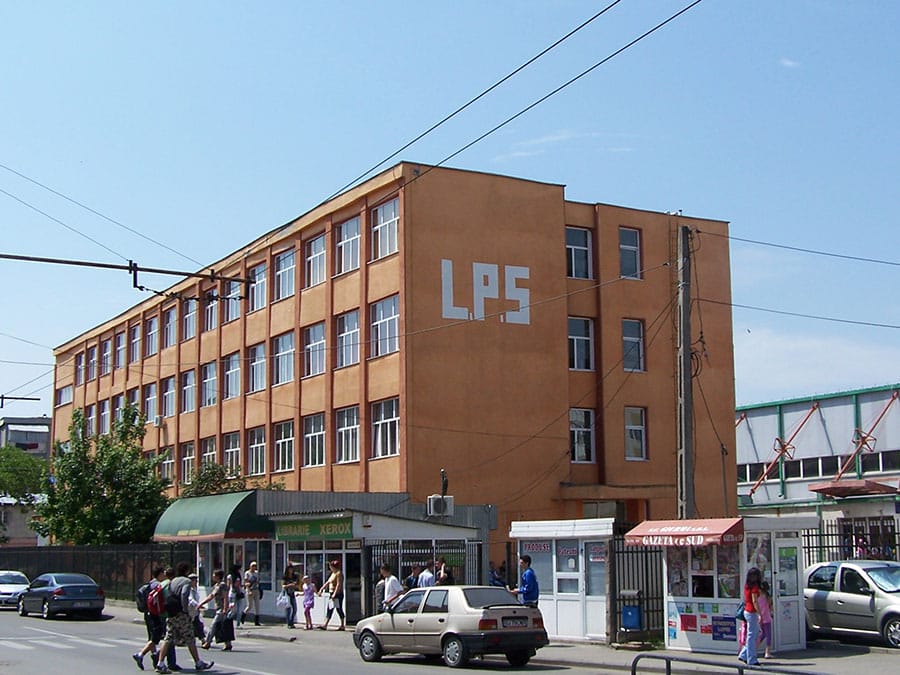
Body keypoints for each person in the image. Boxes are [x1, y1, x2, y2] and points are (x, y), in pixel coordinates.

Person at [154, 561, 214, 673]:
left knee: (168, 637)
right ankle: (198, 663)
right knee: (190, 637)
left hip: (171, 612)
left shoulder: (173, 581)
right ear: (186, 571)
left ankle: (160, 663)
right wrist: (185, 610)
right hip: (180, 613)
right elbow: (184, 594)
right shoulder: (186, 581)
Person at [133, 566, 178, 672]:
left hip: (149, 613)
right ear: (160, 574)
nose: (165, 575)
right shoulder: (159, 585)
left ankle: (154, 657)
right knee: (166, 637)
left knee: (153, 637)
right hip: (157, 615)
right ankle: (144, 655)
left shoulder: (150, 583)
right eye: (163, 573)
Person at [199, 569, 232, 652]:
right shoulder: (216, 586)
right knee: (222, 626)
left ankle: (208, 642)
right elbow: (211, 596)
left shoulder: (222, 585)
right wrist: (201, 603)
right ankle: (228, 644)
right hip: (218, 608)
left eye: (214, 575)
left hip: (222, 609)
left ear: (218, 576)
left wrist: (225, 609)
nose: (213, 576)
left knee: (214, 625)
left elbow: (225, 597)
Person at [737, 567, 762, 667]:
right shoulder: (755, 587)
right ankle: (751, 659)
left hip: (746, 611)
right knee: (752, 636)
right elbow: (755, 601)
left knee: (752, 635)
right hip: (752, 612)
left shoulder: (747, 585)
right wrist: (760, 614)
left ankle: (743, 655)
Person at [317, 559, 346, 630]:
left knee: (338, 609)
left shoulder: (339, 573)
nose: (330, 568)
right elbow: (328, 582)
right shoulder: (333, 573)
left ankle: (342, 625)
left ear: (334, 566)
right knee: (330, 608)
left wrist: (334, 594)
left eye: (331, 566)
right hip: (331, 593)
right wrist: (321, 589)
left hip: (337, 594)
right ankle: (325, 625)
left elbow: (339, 585)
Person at [757, 580, 773, 659]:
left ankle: (754, 648)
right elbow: (770, 606)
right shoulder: (767, 596)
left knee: (762, 634)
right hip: (766, 617)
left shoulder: (757, 597)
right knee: (768, 635)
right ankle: (767, 652)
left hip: (759, 617)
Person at [243, 561, 261, 626]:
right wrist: (248, 590)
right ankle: (243, 615)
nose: (254, 567)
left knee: (257, 606)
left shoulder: (256, 573)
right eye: (253, 566)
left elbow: (258, 581)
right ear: (250, 566)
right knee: (250, 606)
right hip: (250, 590)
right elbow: (246, 582)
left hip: (256, 590)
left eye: (255, 566)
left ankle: (256, 621)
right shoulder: (247, 573)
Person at [281, 562, 299, 629]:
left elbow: (297, 585)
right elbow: (283, 586)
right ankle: (289, 623)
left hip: (292, 594)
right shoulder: (285, 577)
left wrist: (295, 585)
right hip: (287, 594)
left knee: (295, 609)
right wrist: (290, 585)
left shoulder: (294, 576)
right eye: (289, 569)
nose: (291, 570)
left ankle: (291, 621)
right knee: (288, 609)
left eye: (291, 569)